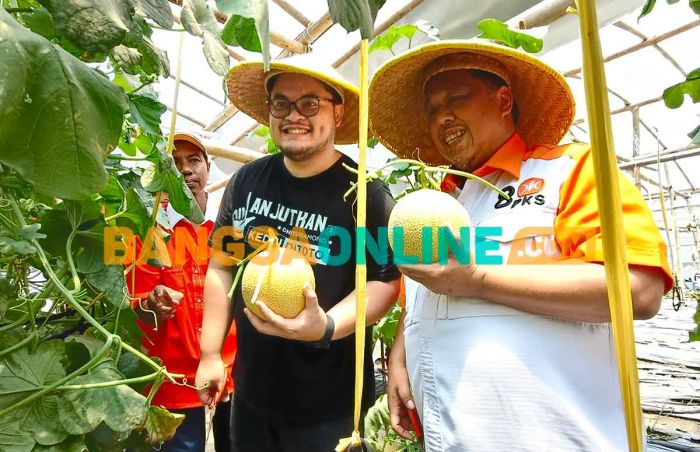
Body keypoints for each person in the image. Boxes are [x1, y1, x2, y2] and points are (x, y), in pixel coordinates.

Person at [368, 40, 673, 451]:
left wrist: (477, 280)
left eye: (456, 97)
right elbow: (426, 297)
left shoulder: (568, 169)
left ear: (504, 99)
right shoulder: (440, 202)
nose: (443, 115)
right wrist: (402, 353)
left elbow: (639, 290)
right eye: (432, 108)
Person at [195, 56, 402, 452]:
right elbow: (221, 266)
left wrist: (323, 326)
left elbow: (383, 283)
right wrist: (210, 353)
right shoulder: (247, 180)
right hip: (252, 395)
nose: (294, 115)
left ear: (338, 112)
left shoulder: (365, 194)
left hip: (328, 409)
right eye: (282, 103)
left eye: (310, 103)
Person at [127, 132, 237, 451]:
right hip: (172, 377)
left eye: (193, 160)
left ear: (207, 167)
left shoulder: (229, 229)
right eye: (175, 164)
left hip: (233, 369)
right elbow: (137, 304)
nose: (186, 169)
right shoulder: (148, 232)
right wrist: (152, 302)